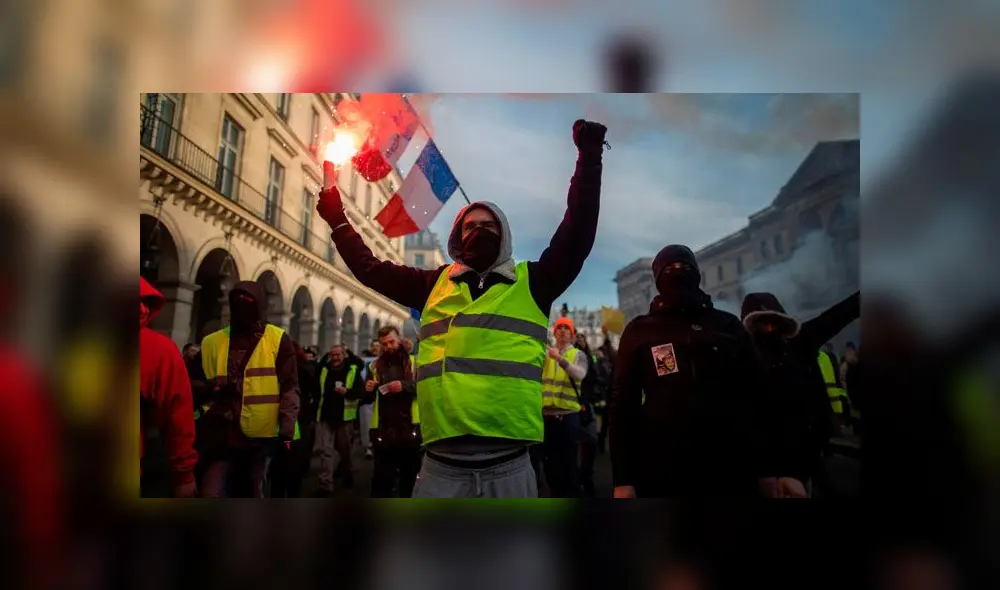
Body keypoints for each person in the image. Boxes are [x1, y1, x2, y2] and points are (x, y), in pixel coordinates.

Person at [317, 119, 607, 498]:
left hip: (511, 466)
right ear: (457, 238)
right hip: (440, 469)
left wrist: (589, 157)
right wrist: (338, 220)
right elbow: (370, 269)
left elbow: (578, 230)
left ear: (504, 238)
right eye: (470, 226)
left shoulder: (534, 283)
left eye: (489, 226)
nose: (479, 231)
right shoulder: (432, 285)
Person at [610, 246, 799, 498]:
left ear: (696, 275)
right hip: (662, 469)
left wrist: (776, 468)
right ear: (657, 279)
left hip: (730, 465)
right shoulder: (640, 331)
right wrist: (623, 479)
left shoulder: (726, 324)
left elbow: (758, 397)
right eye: (669, 269)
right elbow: (623, 407)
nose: (678, 273)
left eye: (685, 267)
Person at [741, 290, 860, 497]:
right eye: (761, 323)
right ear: (750, 327)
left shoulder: (800, 342)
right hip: (777, 467)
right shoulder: (743, 360)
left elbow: (838, 315)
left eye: (773, 321)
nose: (769, 328)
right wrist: (769, 472)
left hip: (813, 455)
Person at [198, 281, 301, 498]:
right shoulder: (212, 342)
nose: (242, 306)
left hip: (260, 439)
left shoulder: (276, 339)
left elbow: (290, 388)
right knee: (212, 490)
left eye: (248, 301)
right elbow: (193, 382)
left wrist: (286, 433)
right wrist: (210, 390)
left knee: (253, 490)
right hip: (220, 435)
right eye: (237, 301)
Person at [140, 277, 198, 497]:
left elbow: (178, 414)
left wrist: (184, 472)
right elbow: (178, 415)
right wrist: (184, 475)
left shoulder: (160, 349)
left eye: (146, 302)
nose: (142, 308)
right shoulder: (160, 350)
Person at [530, 317, 588, 497]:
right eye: (559, 328)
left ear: (571, 334)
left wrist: (560, 359)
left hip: (568, 417)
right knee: (549, 465)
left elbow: (580, 374)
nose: (562, 331)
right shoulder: (546, 355)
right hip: (546, 417)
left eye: (566, 328)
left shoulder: (577, 355)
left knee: (569, 464)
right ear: (554, 333)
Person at [367, 325, 422, 497]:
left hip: (409, 427)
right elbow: (366, 399)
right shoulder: (375, 366)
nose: (388, 346)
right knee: (382, 479)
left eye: (391, 342)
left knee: (409, 477)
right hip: (383, 428)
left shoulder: (414, 362)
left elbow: (425, 388)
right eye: (384, 344)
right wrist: (368, 388)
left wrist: (404, 386)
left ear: (399, 339)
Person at [312, 343, 364, 494]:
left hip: (344, 418)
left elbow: (360, 392)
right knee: (325, 451)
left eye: (338, 354)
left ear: (344, 355)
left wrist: (347, 392)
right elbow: (316, 389)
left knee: (345, 451)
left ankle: (347, 473)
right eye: (332, 355)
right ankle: (325, 484)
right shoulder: (323, 369)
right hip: (325, 415)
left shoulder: (352, 370)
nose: (335, 358)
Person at [270, 341, 319, 497]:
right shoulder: (275, 370)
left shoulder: (303, 371)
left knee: (289, 467)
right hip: (282, 423)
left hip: (294, 424)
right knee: (280, 468)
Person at [575, 332, 602, 496]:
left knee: (591, 442)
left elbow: (594, 376)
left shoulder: (591, 359)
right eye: (577, 337)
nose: (580, 340)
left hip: (587, 404)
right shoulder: (572, 357)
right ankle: (579, 478)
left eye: (582, 337)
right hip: (574, 405)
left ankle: (586, 476)